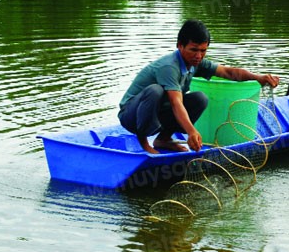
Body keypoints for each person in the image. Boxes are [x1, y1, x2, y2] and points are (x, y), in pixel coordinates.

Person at [118, 19, 279, 154]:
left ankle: (163, 139)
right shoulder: (169, 67)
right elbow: (176, 103)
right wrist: (191, 131)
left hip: (157, 111)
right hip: (132, 115)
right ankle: (144, 143)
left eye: (203, 50)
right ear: (180, 45)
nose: (198, 56)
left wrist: (258, 77)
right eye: (193, 50)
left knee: (199, 98)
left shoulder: (196, 63)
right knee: (155, 90)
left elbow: (228, 73)